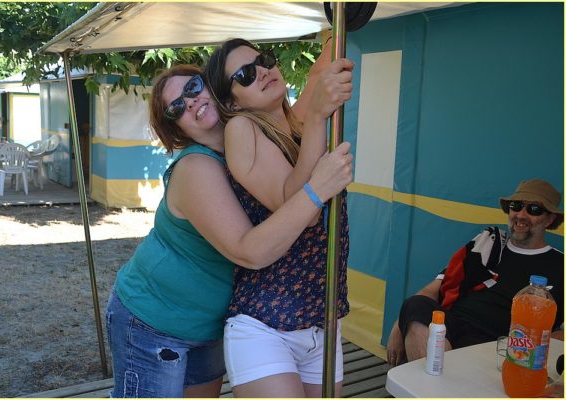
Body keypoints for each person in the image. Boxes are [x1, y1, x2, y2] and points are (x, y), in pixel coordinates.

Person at [106, 62, 354, 397]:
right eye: (176, 107)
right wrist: (317, 191)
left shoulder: (256, 136)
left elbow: (312, 91)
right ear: (176, 128)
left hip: (209, 323)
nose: (190, 102)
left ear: (215, 87)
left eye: (193, 87)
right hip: (153, 318)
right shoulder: (195, 167)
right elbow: (248, 252)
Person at [205, 38, 353, 397]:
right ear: (231, 101)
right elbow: (295, 202)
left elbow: (321, 69)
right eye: (245, 74)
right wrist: (317, 117)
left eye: (265, 60)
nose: (262, 71)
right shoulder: (242, 129)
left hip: (320, 321)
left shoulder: (293, 123)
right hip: (266, 323)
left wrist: (341, 23)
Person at [386, 179, 564, 367]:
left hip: (501, 346)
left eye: (534, 209)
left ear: (550, 219)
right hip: (452, 328)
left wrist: (522, 347)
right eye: (516, 206)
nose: (520, 215)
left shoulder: (560, 265)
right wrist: (400, 324)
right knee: (415, 305)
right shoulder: (489, 242)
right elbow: (432, 290)